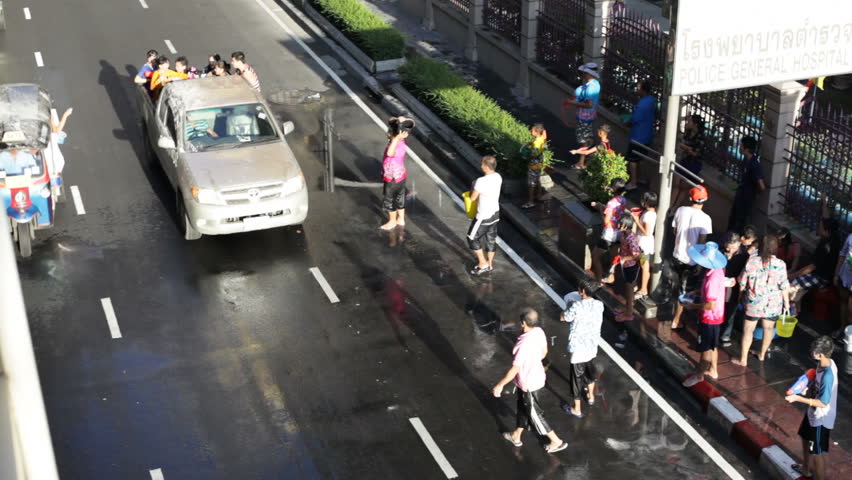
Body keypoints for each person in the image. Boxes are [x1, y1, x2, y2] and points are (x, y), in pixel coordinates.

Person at [493, 308, 568, 454]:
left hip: (529, 383)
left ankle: (556, 441)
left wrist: (500, 385)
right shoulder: (539, 332)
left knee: (534, 414)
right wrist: (532, 361)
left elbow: (514, 369)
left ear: (523, 323)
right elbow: (544, 352)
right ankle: (516, 435)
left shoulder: (523, 345)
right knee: (523, 408)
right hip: (535, 378)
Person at [785, 336, 838, 480]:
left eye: (812, 350)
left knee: (816, 453)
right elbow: (816, 379)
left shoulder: (828, 375)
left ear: (820, 354)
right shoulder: (824, 363)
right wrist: (807, 386)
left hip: (821, 418)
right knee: (804, 437)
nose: (810, 351)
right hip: (812, 414)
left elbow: (823, 403)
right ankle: (806, 469)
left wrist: (798, 398)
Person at [734, 235, 790, 365]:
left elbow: (742, 282)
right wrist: (786, 303)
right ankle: (762, 355)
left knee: (748, 330)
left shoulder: (752, 261)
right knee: (769, 329)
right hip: (773, 303)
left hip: (754, 301)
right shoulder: (781, 264)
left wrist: (739, 296)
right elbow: (784, 285)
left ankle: (743, 360)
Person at [682, 242, 728, 387]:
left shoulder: (712, 280)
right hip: (717, 315)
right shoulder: (718, 271)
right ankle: (713, 370)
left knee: (705, 348)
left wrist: (692, 306)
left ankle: (699, 374)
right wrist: (697, 292)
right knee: (712, 345)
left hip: (710, 317)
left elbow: (710, 304)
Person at [670, 185, 713, 329]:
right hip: (691, 260)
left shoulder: (680, 210)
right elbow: (702, 243)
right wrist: (700, 263)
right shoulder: (706, 219)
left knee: (677, 287)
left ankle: (676, 314)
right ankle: (676, 320)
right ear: (705, 200)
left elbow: (675, 231)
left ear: (690, 198)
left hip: (676, 255)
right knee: (685, 292)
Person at [560, 278, 604, 418]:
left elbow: (564, 318)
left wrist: (568, 306)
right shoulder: (599, 305)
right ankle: (591, 396)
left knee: (576, 378)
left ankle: (577, 409)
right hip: (591, 345)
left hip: (578, 347)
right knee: (589, 371)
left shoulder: (576, 306)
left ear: (582, 292)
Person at [787, 215, 841, 316]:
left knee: (792, 286)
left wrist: (793, 275)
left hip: (821, 277)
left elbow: (811, 267)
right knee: (798, 287)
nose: (817, 228)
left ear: (827, 231)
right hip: (826, 275)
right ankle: (796, 311)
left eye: (820, 227)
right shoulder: (836, 238)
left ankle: (792, 313)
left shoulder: (825, 247)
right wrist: (824, 201)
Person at [468, 155, 503, 275]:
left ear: (487, 167)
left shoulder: (480, 181)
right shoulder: (498, 177)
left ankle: (482, 263)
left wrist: (473, 188)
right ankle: (490, 264)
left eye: (482, 164)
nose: (480, 166)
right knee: (491, 239)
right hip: (495, 213)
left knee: (472, 238)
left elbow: (472, 198)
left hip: (483, 215)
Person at [565, 63, 601, 170]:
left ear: (589, 73)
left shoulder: (590, 88)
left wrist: (572, 102)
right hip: (589, 115)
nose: (583, 74)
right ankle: (587, 155)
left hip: (585, 116)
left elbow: (589, 104)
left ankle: (581, 162)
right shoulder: (596, 84)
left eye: (585, 73)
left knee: (583, 139)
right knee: (586, 136)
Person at [380, 116, 413, 231]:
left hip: (392, 177)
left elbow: (389, 153)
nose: (387, 133)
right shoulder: (402, 140)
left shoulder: (396, 142)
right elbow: (393, 120)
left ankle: (392, 221)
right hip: (400, 175)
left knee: (389, 199)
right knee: (399, 197)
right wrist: (399, 121)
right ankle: (401, 219)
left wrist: (396, 138)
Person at [591, 177, 627, 281]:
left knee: (595, 257)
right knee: (613, 255)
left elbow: (606, 221)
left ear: (613, 188)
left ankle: (598, 280)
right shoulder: (623, 200)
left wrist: (601, 209)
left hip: (609, 234)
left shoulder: (611, 203)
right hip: (619, 233)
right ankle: (610, 275)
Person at [727, 136, 766, 233]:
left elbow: (762, 186)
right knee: (733, 221)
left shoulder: (754, 164)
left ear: (746, 149)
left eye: (741, 146)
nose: (739, 147)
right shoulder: (746, 161)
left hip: (746, 199)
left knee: (739, 224)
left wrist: (751, 192)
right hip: (741, 196)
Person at [624, 80, 655, 190]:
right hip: (647, 135)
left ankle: (633, 182)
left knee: (632, 160)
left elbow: (635, 119)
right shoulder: (651, 100)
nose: (636, 90)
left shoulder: (642, 104)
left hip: (638, 136)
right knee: (639, 158)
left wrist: (627, 121)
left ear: (643, 90)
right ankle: (639, 178)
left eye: (638, 88)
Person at [720, 231, 748, 347]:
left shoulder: (744, 256)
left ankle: (725, 335)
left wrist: (737, 280)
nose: (729, 250)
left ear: (738, 245)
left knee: (730, 313)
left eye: (732, 248)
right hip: (719, 286)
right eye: (727, 248)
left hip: (734, 288)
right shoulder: (720, 252)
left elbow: (744, 273)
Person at [672, 114, 706, 207]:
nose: (687, 123)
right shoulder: (687, 133)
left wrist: (686, 148)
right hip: (684, 161)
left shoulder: (700, 137)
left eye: (690, 121)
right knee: (676, 185)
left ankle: (674, 208)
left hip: (693, 164)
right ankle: (670, 206)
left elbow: (696, 153)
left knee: (683, 187)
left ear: (695, 124)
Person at [615, 215, 641, 322]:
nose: (619, 225)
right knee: (627, 289)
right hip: (625, 265)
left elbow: (637, 255)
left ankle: (629, 313)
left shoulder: (631, 239)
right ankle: (627, 308)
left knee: (629, 290)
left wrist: (625, 258)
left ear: (627, 226)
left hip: (631, 266)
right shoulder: (623, 234)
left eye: (621, 224)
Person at [43, 107, 73, 195]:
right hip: (52, 164)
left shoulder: (48, 136)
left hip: (50, 165)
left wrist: (65, 115)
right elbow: (57, 129)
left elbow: (57, 129)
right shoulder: (51, 136)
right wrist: (65, 115)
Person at [633, 191, 658, 299]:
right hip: (643, 244)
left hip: (644, 245)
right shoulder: (651, 212)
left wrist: (636, 221)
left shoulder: (648, 215)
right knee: (643, 265)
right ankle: (640, 287)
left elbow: (646, 232)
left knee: (644, 266)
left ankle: (643, 289)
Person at [521, 124, 548, 209]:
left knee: (531, 183)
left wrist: (525, 157)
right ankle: (539, 196)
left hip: (533, 165)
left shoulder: (536, 142)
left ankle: (530, 201)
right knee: (537, 179)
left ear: (537, 132)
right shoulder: (541, 139)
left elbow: (534, 154)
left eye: (532, 131)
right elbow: (544, 147)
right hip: (539, 164)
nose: (531, 132)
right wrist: (530, 143)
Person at [833, 231, 852, 342]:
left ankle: (849, 335)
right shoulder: (850, 237)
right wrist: (836, 274)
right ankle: (842, 328)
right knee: (843, 302)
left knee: (850, 311)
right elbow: (842, 254)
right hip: (845, 276)